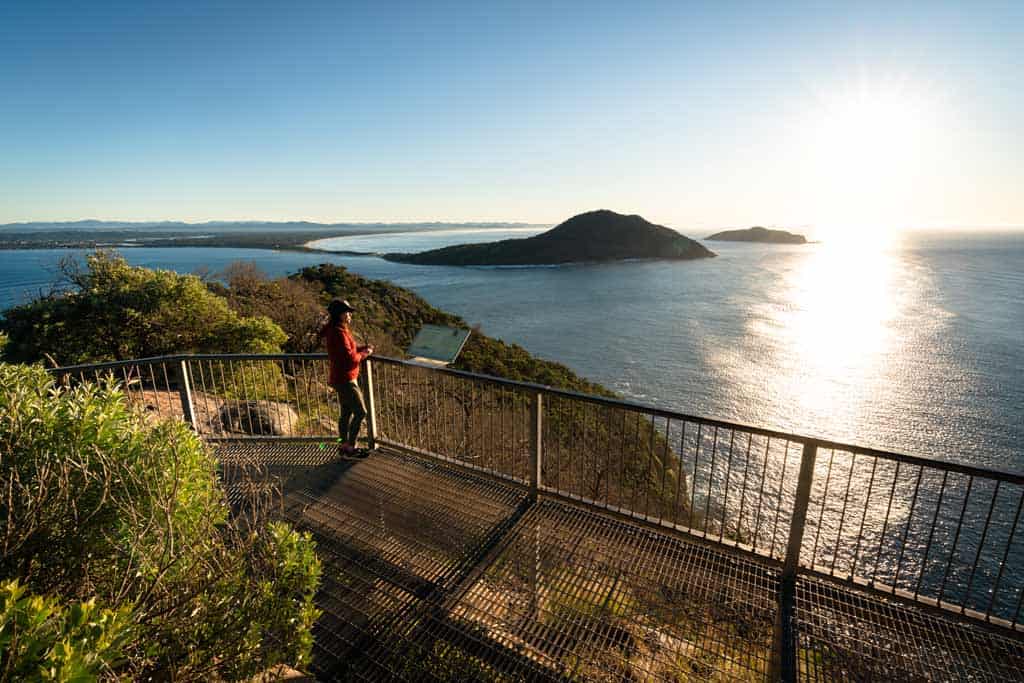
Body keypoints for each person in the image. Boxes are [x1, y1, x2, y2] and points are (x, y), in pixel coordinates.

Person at [319, 298, 374, 455]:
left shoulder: (337, 329)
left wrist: (362, 348)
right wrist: (365, 353)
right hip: (345, 379)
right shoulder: (338, 332)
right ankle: (350, 446)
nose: (350, 315)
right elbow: (350, 358)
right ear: (340, 315)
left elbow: (349, 350)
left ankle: (344, 446)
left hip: (340, 377)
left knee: (346, 413)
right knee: (361, 412)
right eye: (347, 312)